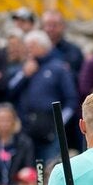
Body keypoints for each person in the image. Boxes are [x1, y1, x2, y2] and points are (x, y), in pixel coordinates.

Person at [9, 30, 78, 162]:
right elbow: (9, 91)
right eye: (26, 45)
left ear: (44, 46)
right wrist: (24, 75)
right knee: (30, 169)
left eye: (32, 45)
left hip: (50, 129)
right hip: (26, 128)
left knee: (50, 167)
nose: (28, 49)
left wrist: (59, 123)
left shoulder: (58, 68)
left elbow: (71, 99)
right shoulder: (23, 69)